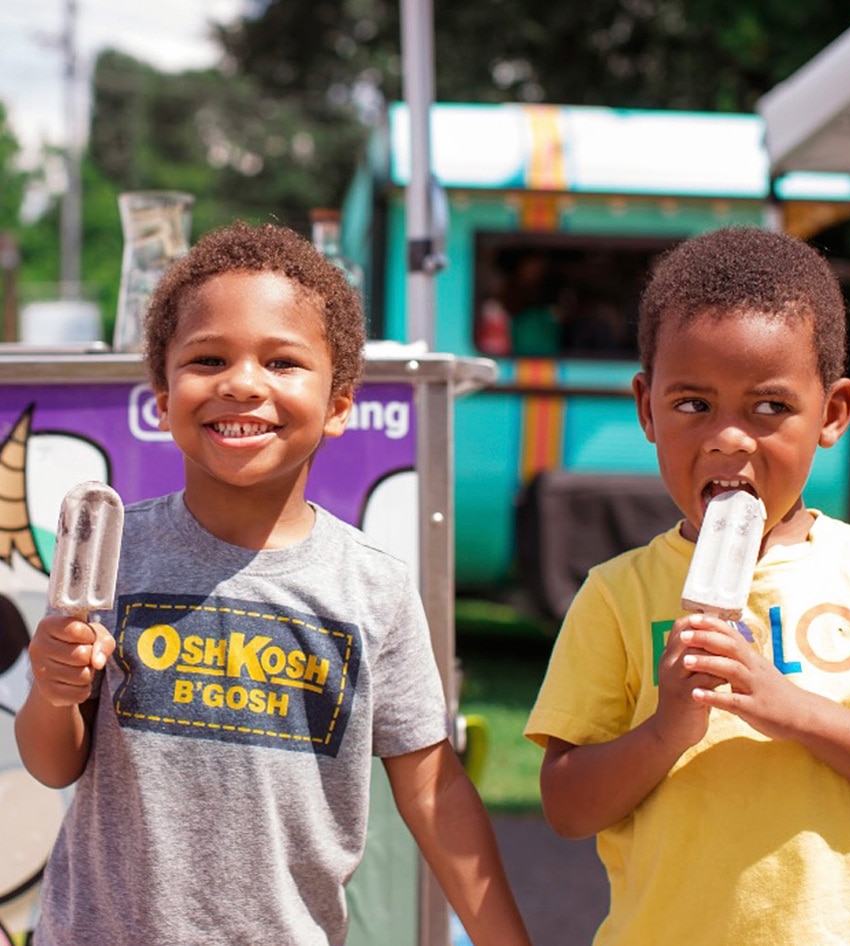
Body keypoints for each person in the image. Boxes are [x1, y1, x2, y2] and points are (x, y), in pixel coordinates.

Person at [15, 222, 532, 946]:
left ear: (340, 404)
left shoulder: (373, 588)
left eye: (283, 361)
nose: (243, 383)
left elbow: (433, 790)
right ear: (162, 400)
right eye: (208, 358)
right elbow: (53, 760)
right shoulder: (115, 557)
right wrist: (55, 688)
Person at [525, 226, 850, 945]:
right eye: (693, 404)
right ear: (647, 408)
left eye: (769, 407)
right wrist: (665, 730)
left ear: (834, 414)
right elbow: (567, 805)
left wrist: (793, 711)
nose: (729, 439)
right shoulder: (617, 593)